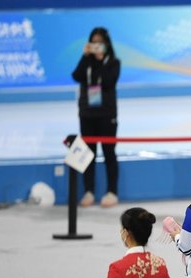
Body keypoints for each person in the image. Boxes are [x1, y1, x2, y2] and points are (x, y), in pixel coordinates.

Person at [72, 27, 121, 208]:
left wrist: (100, 60)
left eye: (99, 42)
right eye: (93, 42)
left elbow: (109, 81)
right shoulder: (87, 62)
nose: (96, 46)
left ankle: (112, 192)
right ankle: (89, 191)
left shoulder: (113, 62)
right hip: (87, 114)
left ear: (106, 44)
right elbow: (76, 76)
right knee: (88, 154)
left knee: (109, 153)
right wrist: (85, 56)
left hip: (107, 115)